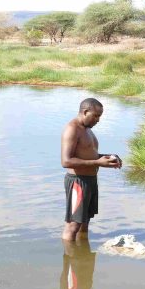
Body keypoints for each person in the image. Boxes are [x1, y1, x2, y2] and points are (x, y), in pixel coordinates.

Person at [60, 98, 121, 241]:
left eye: (99, 116)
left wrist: (108, 157)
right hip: (78, 182)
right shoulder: (72, 129)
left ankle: (83, 259)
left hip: (90, 181)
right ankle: (69, 259)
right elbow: (66, 161)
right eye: (96, 116)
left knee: (85, 222)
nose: (98, 120)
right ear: (85, 112)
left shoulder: (87, 129)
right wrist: (98, 162)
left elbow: (90, 155)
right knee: (73, 226)